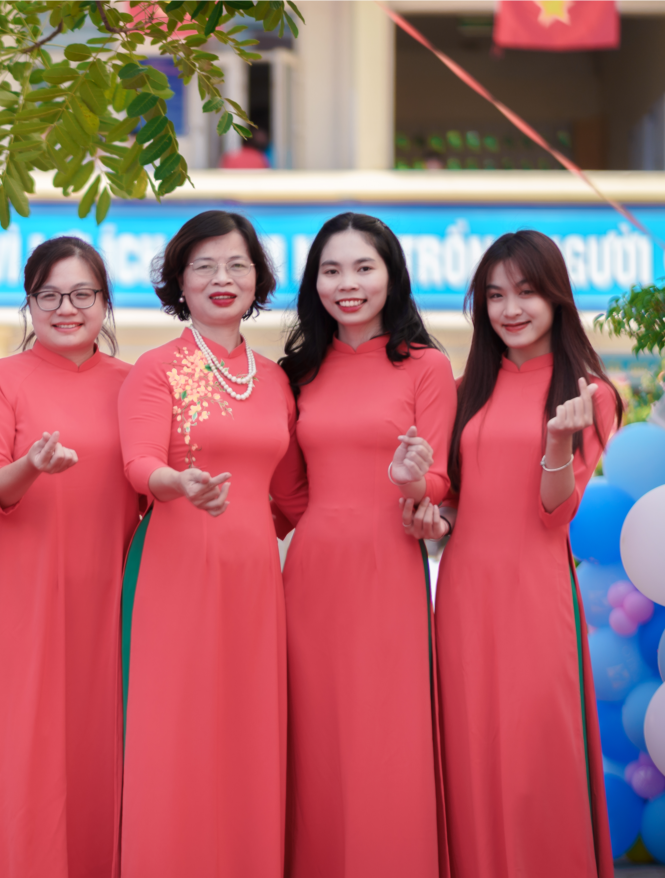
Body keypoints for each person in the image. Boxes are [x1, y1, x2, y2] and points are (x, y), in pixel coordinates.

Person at [402, 230, 622, 878]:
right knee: (470, 756)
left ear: (556, 296)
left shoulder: (591, 395)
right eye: (495, 295)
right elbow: (456, 504)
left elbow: (555, 513)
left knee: (535, 758)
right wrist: (428, 515)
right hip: (464, 596)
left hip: (536, 596)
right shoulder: (465, 389)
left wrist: (556, 442)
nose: (510, 309)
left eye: (525, 292)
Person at [116, 210, 300, 878]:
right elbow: (138, 464)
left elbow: (292, 495)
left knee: (248, 734)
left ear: (257, 280)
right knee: (178, 734)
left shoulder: (275, 380)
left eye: (237, 265)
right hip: (176, 571)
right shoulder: (157, 369)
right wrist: (177, 482)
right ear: (179, 281)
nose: (222, 278)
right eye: (204, 266)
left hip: (255, 578)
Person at [274, 213, 455, 877]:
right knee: (316, 736)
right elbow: (288, 489)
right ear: (313, 282)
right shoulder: (297, 373)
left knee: (387, 732)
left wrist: (412, 480)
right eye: (331, 270)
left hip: (389, 566)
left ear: (392, 276)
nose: (347, 284)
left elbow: (437, 479)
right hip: (312, 571)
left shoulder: (427, 367)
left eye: (363, 268)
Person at [0, 237, 140, 878]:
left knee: (104, 747)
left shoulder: (135, 383)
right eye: (50, 295)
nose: (67, 309)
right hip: (24, 593)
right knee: (24, 750)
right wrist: (31, 465)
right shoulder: (0, 380)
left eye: (82, 294)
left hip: (111, 592)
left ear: (105, 301)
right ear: (29, 303)